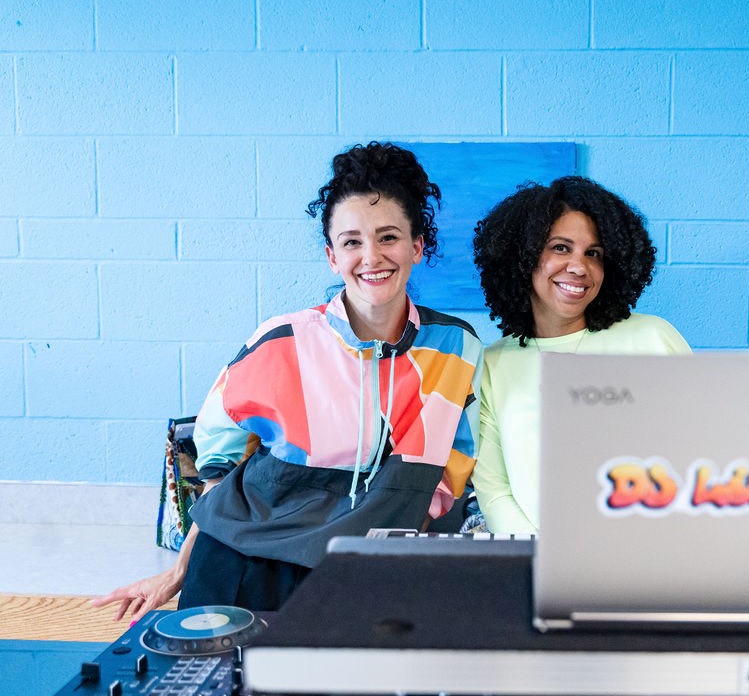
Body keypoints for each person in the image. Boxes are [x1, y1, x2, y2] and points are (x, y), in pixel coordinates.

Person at [94, 142, 482, 620]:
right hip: (248, 566)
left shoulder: (455, 348)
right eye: (352, 241)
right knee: (221, 693)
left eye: (388, 237)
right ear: (331, 256)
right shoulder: (282, 339)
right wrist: (179, 571)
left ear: (417, 246)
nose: (371, 256)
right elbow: (219, 466)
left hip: (369, 571)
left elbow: (447, 478)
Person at [471, 176, 691, 534]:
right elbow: (494, 494)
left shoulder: (653, 338)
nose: (579, 266)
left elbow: (698, 457)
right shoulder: (494, 364)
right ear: (523, 256)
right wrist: (549, 564)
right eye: (560, 248)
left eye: (594, 253)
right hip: (546, 569)